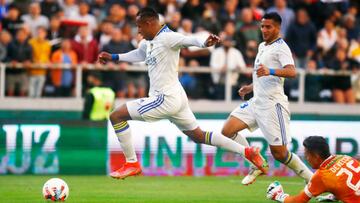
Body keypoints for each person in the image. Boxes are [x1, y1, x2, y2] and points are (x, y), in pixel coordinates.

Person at [98, 7, 268, 180]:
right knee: (199, 135)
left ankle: (132, 163)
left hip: (164, 99)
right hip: (177, 96)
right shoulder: (148, 42)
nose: (138, 31)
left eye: (140, 26)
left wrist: (204, 43)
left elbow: (188, 40)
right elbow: (139, 54)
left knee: (116, 116)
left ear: (149, 23)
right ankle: (247, 152)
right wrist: (114, 57)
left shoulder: (168, 37)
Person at [221, 12, 313, 186]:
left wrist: (270, 71)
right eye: (262, 26)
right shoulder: (262, 45)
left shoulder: (281, 47)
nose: (264, 29)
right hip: (257, 101)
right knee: (227, 131)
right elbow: (262, 75)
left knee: (280, 154)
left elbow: (292, 71)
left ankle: (312, 180)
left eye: (268, 26)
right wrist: (251, 86)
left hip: (273, 105)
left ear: (278, 28)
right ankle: (256, 163)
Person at [266, 136, 360, 203]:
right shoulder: (346, 157)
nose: (306, 158)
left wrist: (277, 195)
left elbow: (298, 201)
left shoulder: (321, 176)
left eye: (307, 154)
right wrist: (336, 196)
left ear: (316, 156)